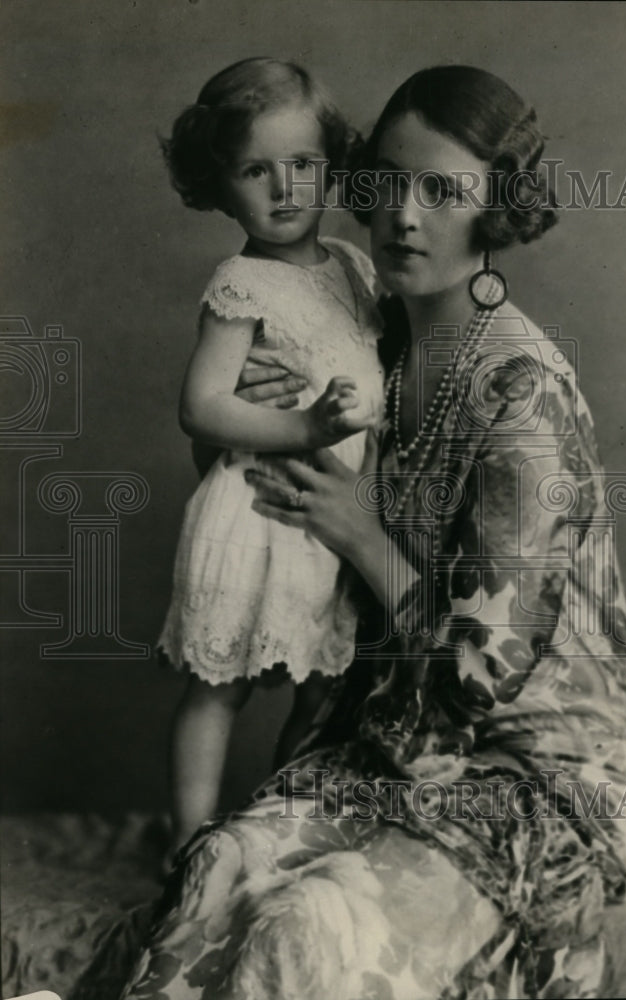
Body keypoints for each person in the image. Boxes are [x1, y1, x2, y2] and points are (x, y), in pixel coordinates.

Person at [73, 65, 626, 1000]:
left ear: (494, 209)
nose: (401, 214)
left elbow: (481, 671)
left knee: (311, 926)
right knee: (218, 866)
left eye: (441, 190)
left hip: (538, 769)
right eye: (385, 180)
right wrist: (253, 453)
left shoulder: (524, 397)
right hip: (393, 736)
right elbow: (269, 488)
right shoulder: (368, 334)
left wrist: (355, 532)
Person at [156, 57, 385, 859]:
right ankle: (189, 843)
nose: (285, 189)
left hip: (330, 519)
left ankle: (287, 834)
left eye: (303, 164)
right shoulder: (240, 282)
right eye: (257, 169)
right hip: (258, 509)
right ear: (218, 184)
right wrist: (305, 428)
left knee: (323, 688)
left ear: (330, 167)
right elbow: (202, 405)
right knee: (221, 685)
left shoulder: (355, 270)